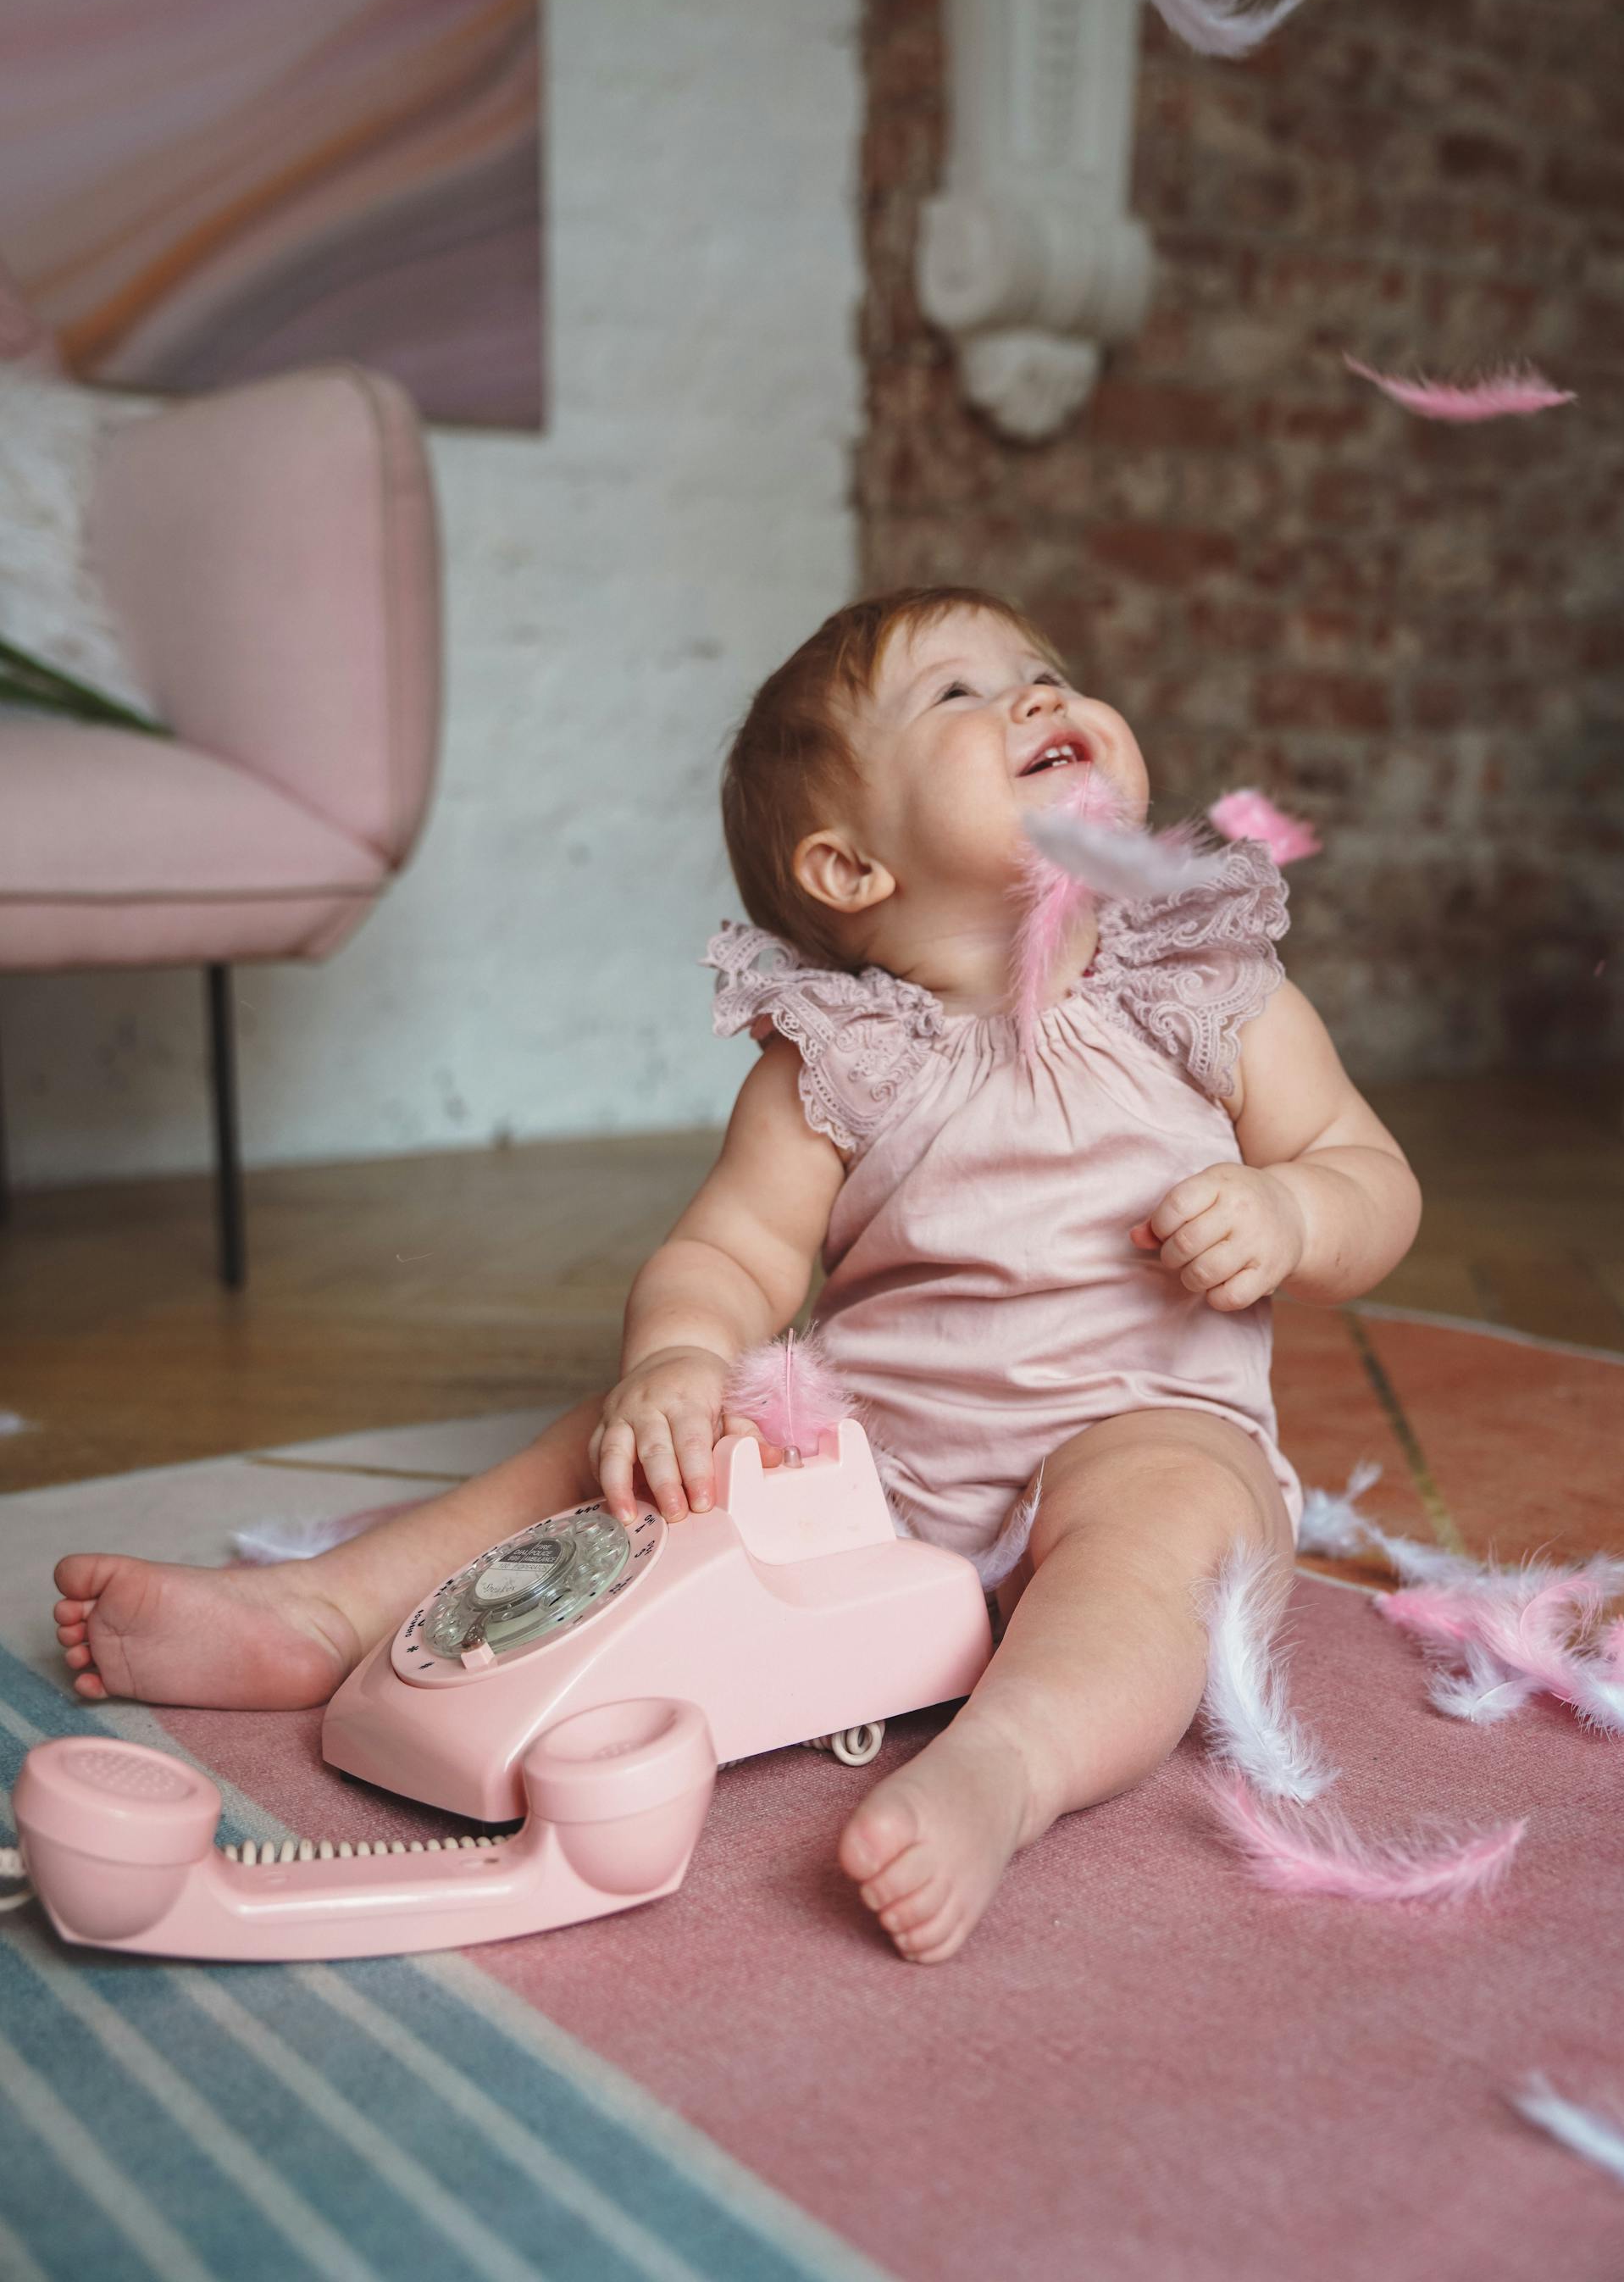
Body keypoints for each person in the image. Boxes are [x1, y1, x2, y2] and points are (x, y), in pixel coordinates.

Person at [52, 586, 1420, 1963]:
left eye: (1044, 671)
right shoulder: (840, 1055)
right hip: (879, 1455)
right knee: (612, 1449)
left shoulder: (1208, 991)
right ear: (850, 871)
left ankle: (1004, 1767)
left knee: (1165, 1545)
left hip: (1145, 1420)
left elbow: (1371, 1177)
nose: (1038, 697)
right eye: (959, 695)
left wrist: (1296, 1213)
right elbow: (731, 1251)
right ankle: (320, 1611)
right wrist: (678, 1365)